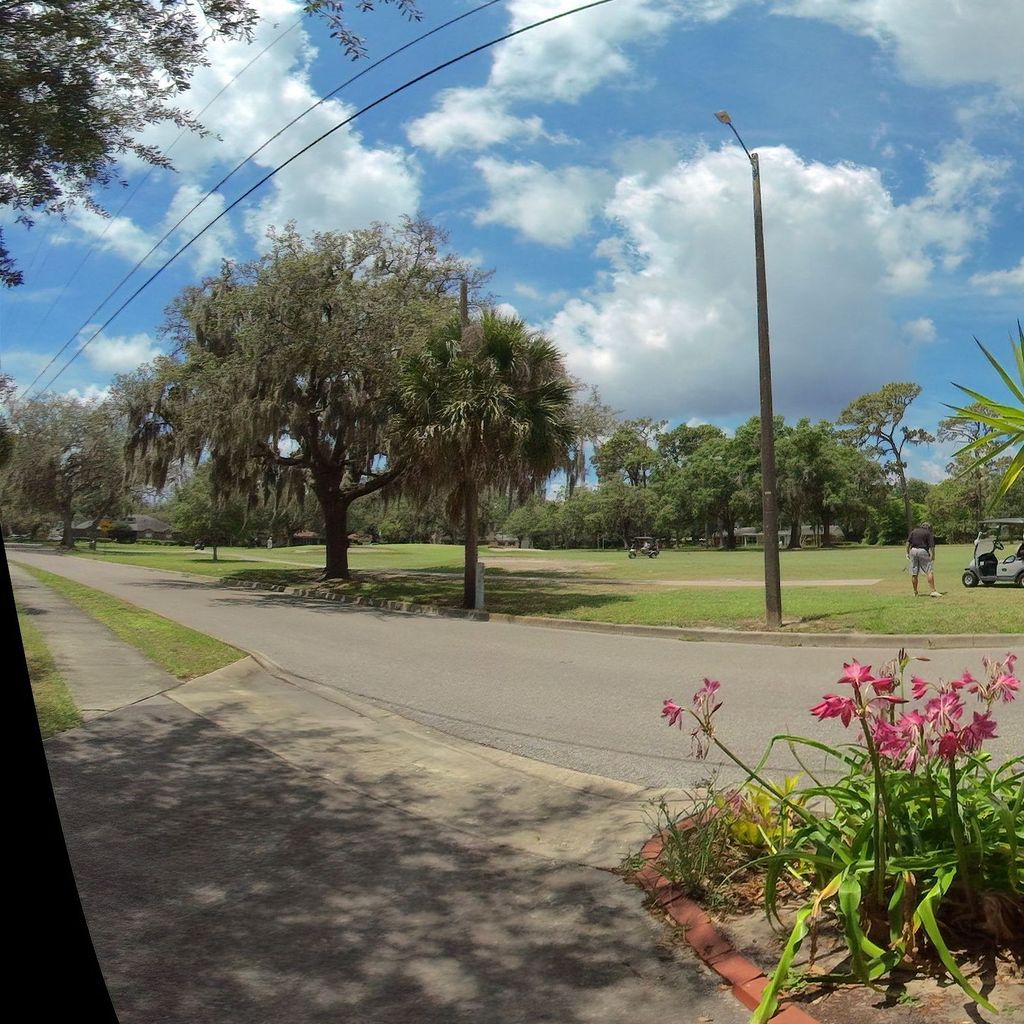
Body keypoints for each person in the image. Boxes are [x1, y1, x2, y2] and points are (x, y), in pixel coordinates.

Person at [906, 521, 939, 597]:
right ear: (928, 527)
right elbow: (932, 546)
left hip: (913, 550)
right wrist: (933, 555)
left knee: (914, 573)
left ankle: (915, 592)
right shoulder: (928, 533)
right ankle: (933, 591)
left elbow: (908, 543)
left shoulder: (914, 531)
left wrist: (907, 553)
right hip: (923, 551)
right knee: (929, 570)